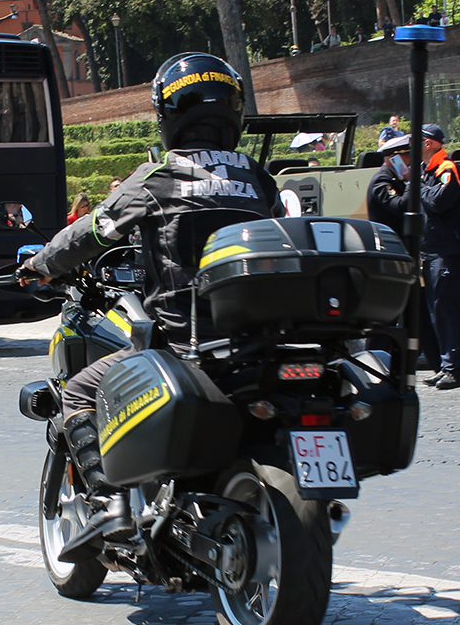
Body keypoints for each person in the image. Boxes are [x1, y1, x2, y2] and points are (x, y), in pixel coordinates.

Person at [21, 52, 282, 552]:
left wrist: (38, 265)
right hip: (258, 340)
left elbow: (86, 235)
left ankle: (109, 505)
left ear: (169, 116)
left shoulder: (159, 177)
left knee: (77, 392)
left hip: (185, 341)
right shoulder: (258, 180)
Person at [365, 134, 441, 373]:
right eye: (408, 158)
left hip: (404, 256)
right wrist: (411, 183)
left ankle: (439, 362)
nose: (412, 163)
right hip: (390, 257)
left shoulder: (397, 179)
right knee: (388, 314)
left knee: (416, 312)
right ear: (395, 159)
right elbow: (399, 207)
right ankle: (373, 364)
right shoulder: (382, 181)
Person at [417, 124, 460, 389]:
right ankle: (445, 364)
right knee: (437, 311)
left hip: (446, 251)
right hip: (432, 250)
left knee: (449, 312)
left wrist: (418, 187)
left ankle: (456, 370)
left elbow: (439, 201)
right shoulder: (427, 171)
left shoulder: (446, 169)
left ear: (428, 143)